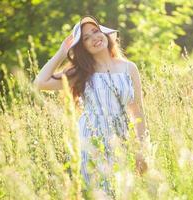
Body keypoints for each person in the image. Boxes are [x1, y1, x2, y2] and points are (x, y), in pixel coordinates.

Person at [33, 15, 148, 195]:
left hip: (122, 141)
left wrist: (142, 150)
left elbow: (137, 112)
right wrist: (62, 52)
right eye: (86, 38)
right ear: (82, 48)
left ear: (105, 34)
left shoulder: (129, 68)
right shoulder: (80, 72)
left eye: (96, 31)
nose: (94, 38)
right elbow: (40, 83)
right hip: (91, 142)